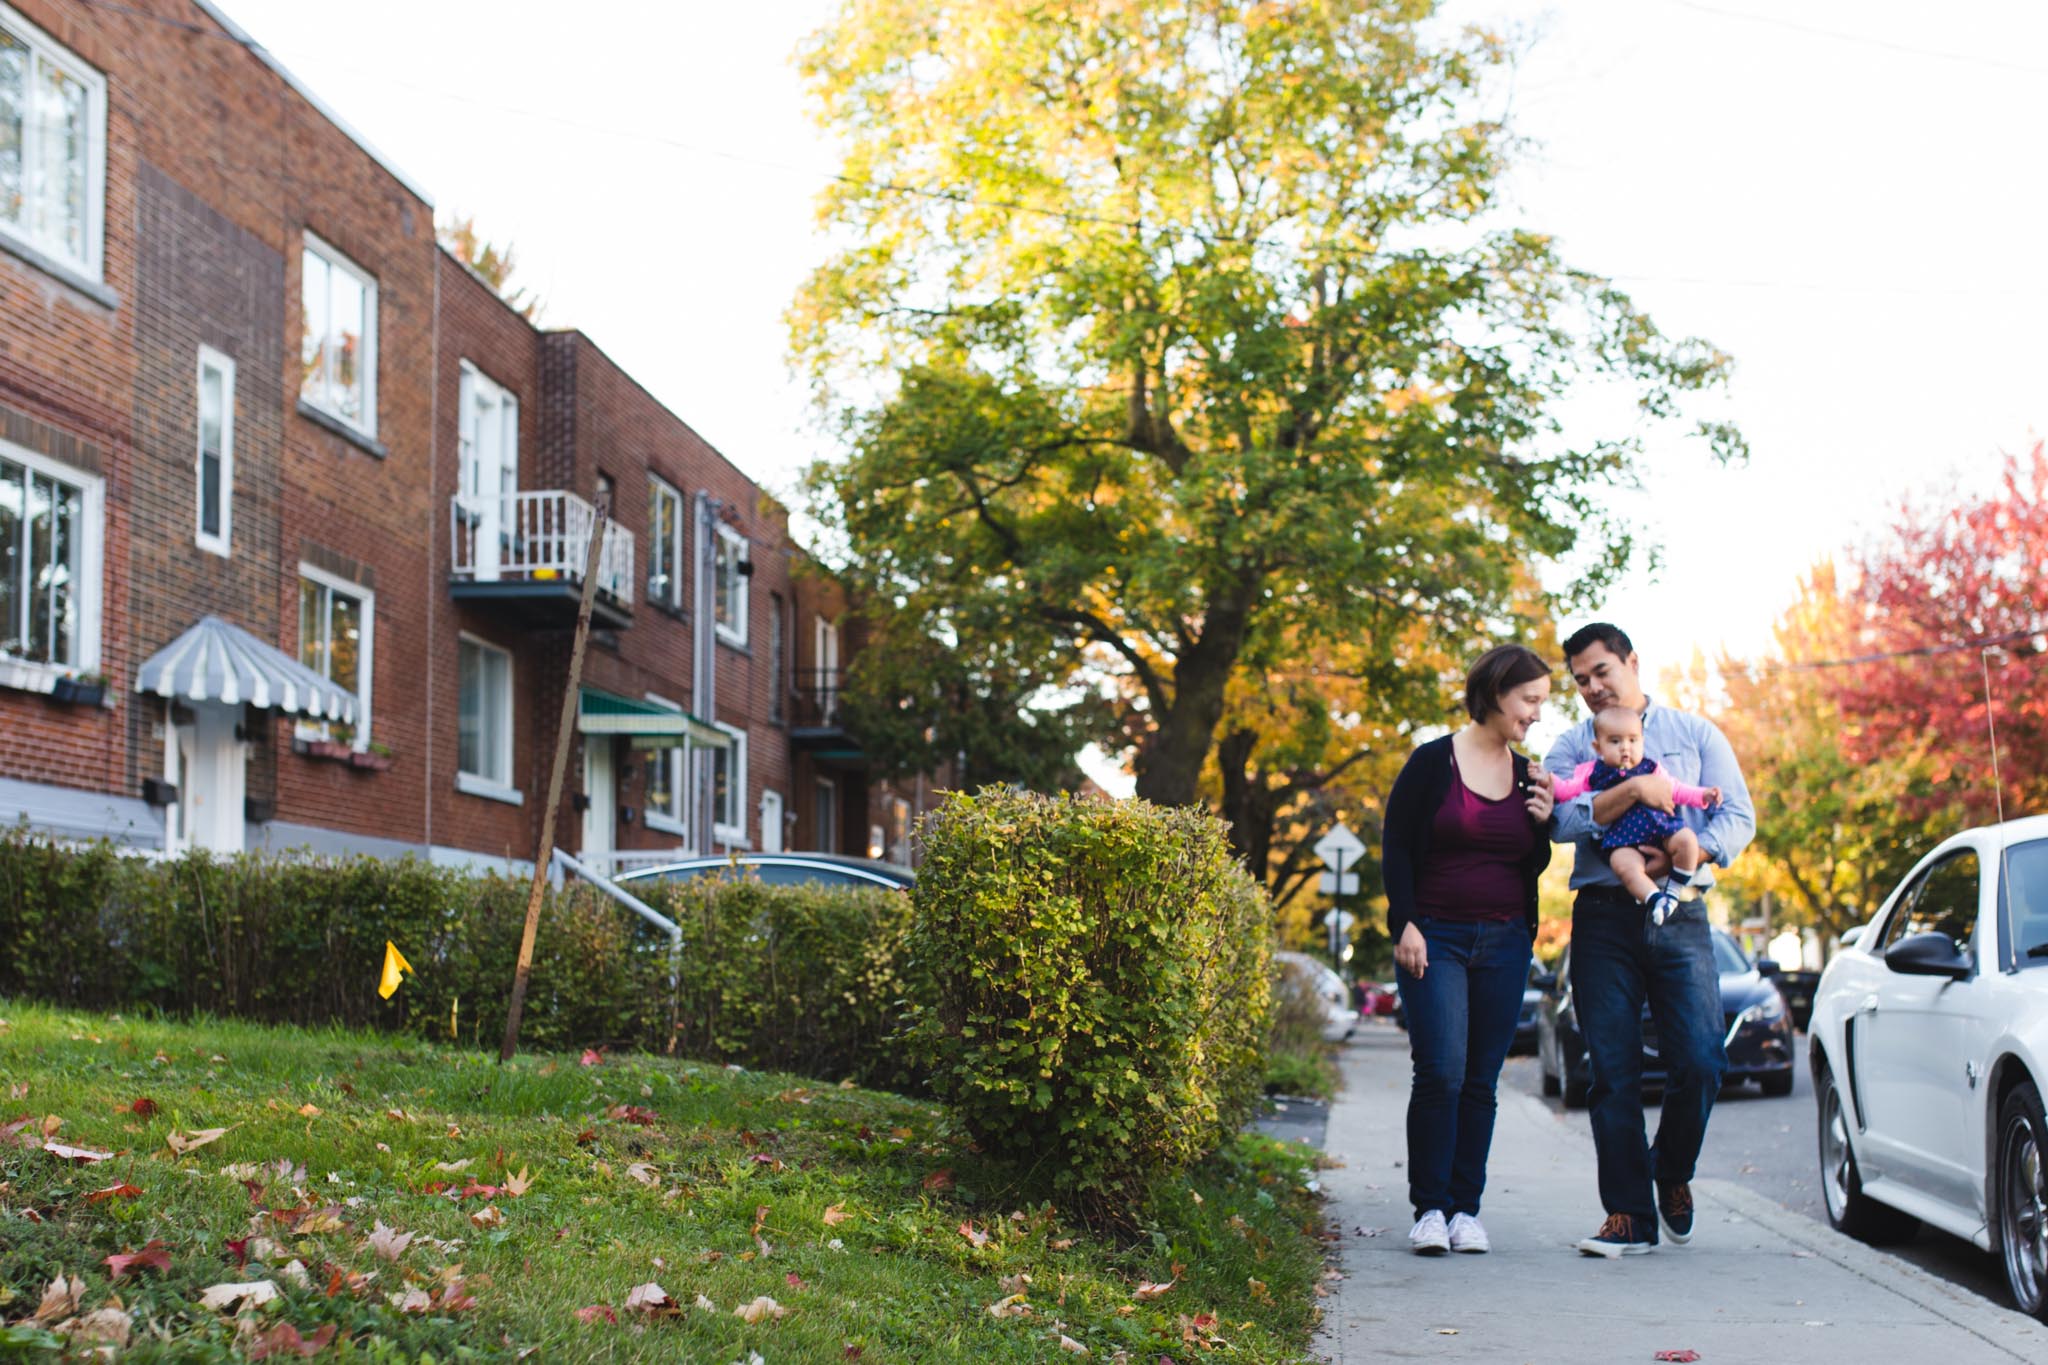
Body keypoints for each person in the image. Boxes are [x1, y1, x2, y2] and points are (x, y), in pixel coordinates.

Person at [1544, 623, 1754, 1258]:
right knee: (1612, 1071)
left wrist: (1680, 859)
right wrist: (1632, 790)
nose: (1591, 687)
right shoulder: (1570, 747)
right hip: (1604, 917)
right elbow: (1558, 819)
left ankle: (1669, 1169)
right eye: (1580, 679)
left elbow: (1736, 817)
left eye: (1602, 671)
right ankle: (1629, 1215)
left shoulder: (1693, 734)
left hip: (1682, 911)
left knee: (1701, 1060)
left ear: (1632, 662)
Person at [1381, 644, 1556, 1256]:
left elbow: (1529, 863)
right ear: (1496, 691)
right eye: (1529, 699)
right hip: (1436, 937)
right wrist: (1404, 922)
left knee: (1481, 1079)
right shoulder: (1433, 762)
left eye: (1542, 703)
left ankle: (1465, 1211)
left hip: (1505, 940)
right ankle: (1429, 1208)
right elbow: (1397, 845)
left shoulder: (1529, 772)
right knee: (1442, 1071)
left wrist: (1542, 824)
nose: (1536, 713)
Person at [1549, 706, 1723, 922]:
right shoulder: (1592, 772)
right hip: (1622, 840)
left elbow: (1677, 790)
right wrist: (1548, 780)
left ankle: (1673, 892)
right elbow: (1567, 790)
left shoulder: (1652, 769)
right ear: (1598, 747)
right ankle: (1655, 900)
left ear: (1642, 741)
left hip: (1662, 830)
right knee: (1625, 867)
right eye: (1615, 741)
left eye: (1633, 740)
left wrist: (1703, 796)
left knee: (1688, 841)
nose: (1625, 748)